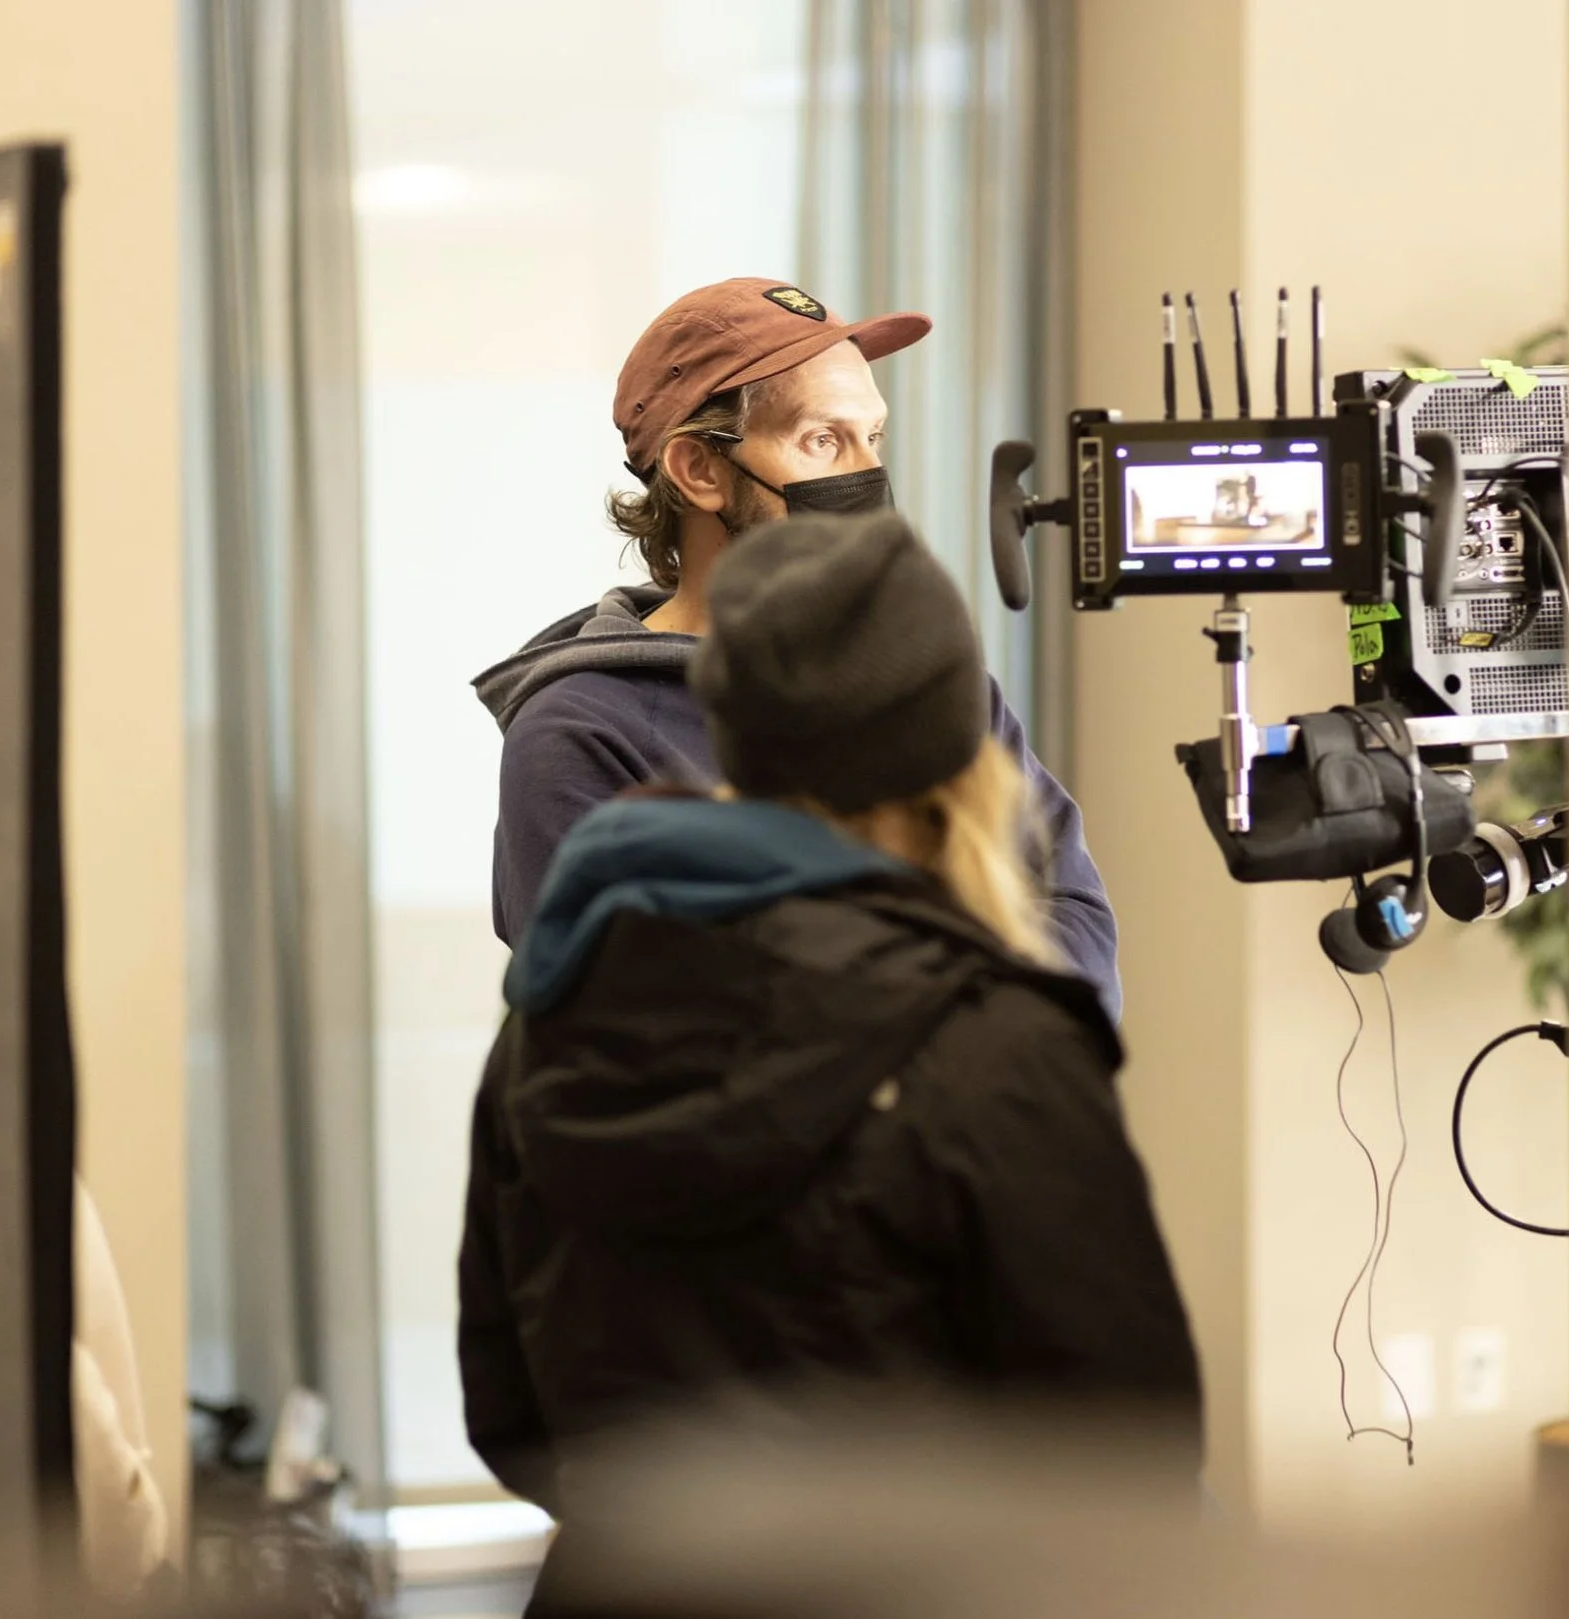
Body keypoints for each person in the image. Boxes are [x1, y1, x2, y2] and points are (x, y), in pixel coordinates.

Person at [457, 513, 1200, 1611]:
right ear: (960, 756)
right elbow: (1131, 1449)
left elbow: (510, 1413)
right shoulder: (993, 1041)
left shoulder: (550, 1022)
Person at [473, 276, 1123, 1017]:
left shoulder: (929, 681)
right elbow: (648, 1034)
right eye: (823, 440)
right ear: (699, 470)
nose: (866, 476)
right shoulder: (581, 733)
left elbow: (1075, 925)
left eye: (871, 437)